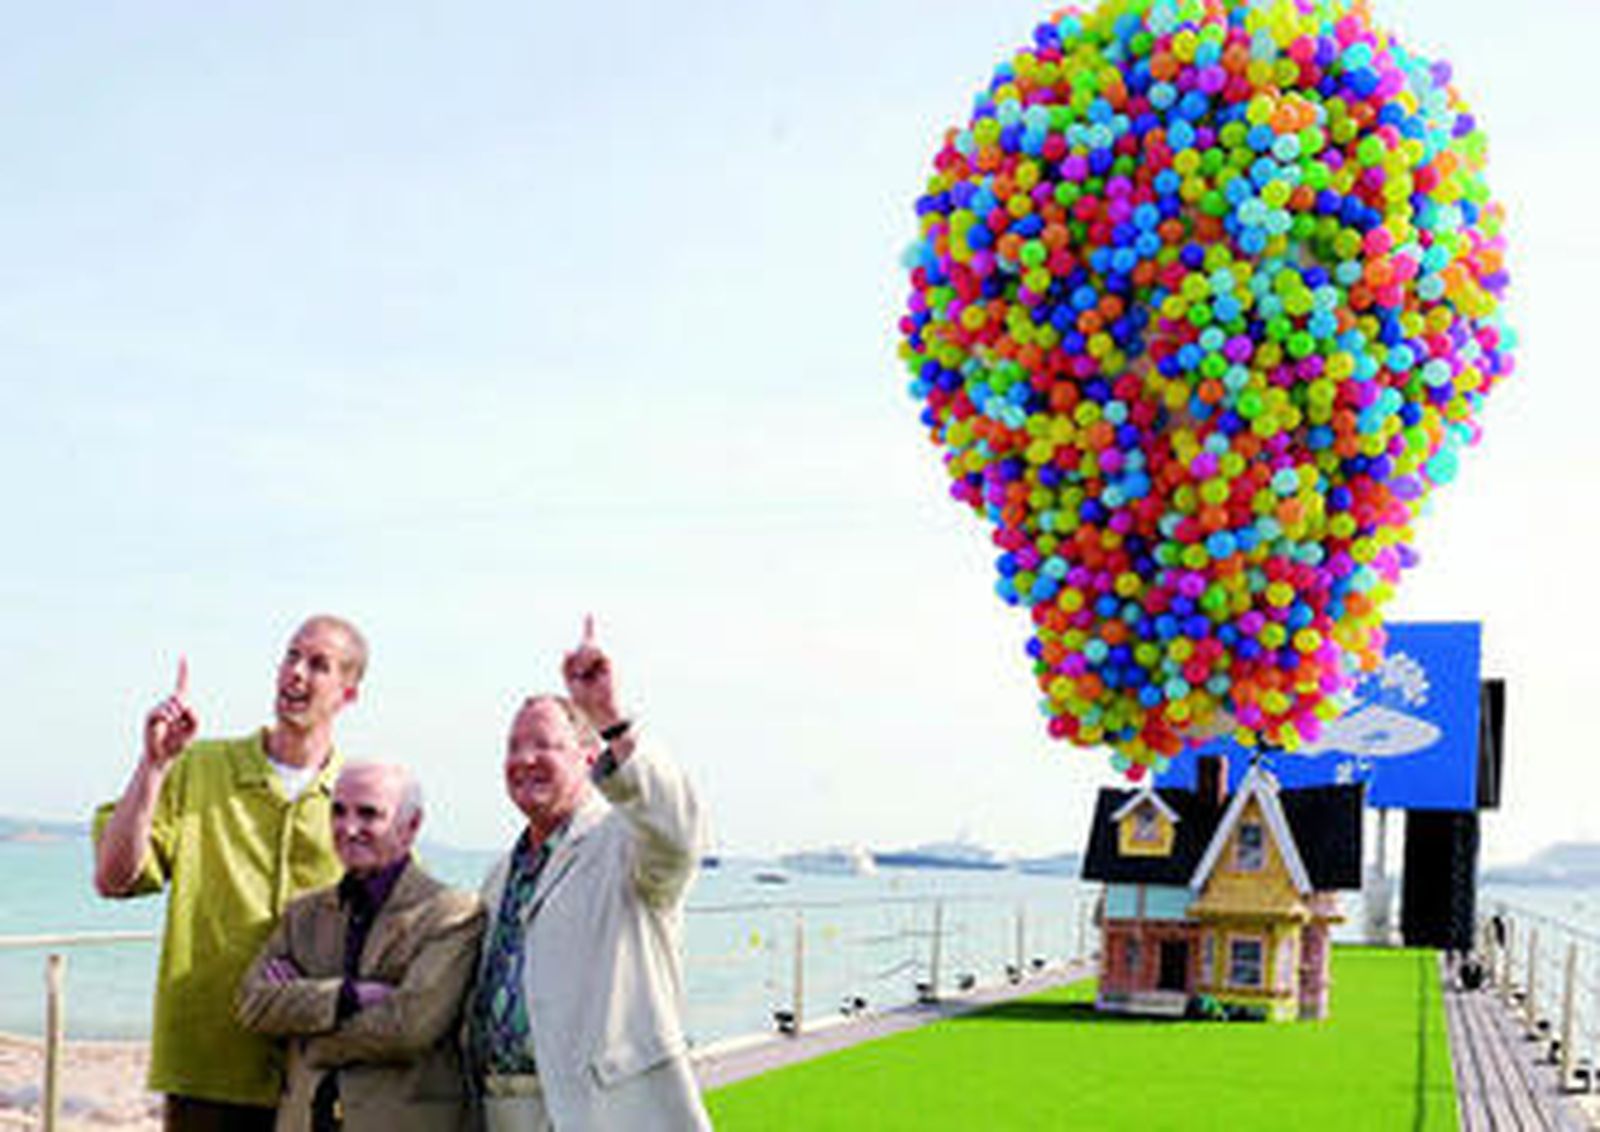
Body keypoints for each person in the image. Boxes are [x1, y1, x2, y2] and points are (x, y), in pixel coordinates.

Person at [93, 615, 368, 1131]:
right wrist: (153, 767)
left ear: (348, 694)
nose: (297, 674)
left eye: (319, 665)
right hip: (206, 1068)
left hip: (317, 1076)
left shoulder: (362, 800)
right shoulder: (197, 767)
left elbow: (401, 924)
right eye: (291, 656)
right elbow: (113, 877)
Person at [472, 618, 711, 1131]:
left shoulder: (625, 842)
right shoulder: (498, 877)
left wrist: (611, 717)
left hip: (600, 1113)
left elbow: (679, 834)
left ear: (588, 755)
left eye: (544, 745)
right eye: (513, 747)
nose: (524, 759)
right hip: (503, 1112)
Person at [237, 763, 485, 1132]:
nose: (348, 828)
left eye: (368, 814)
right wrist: (347, 997)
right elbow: (252, 1004)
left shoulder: (451, 913)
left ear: (411, 826)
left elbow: (409, 1027)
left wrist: (308, 1035)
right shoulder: (302, 914)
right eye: (338, 811)